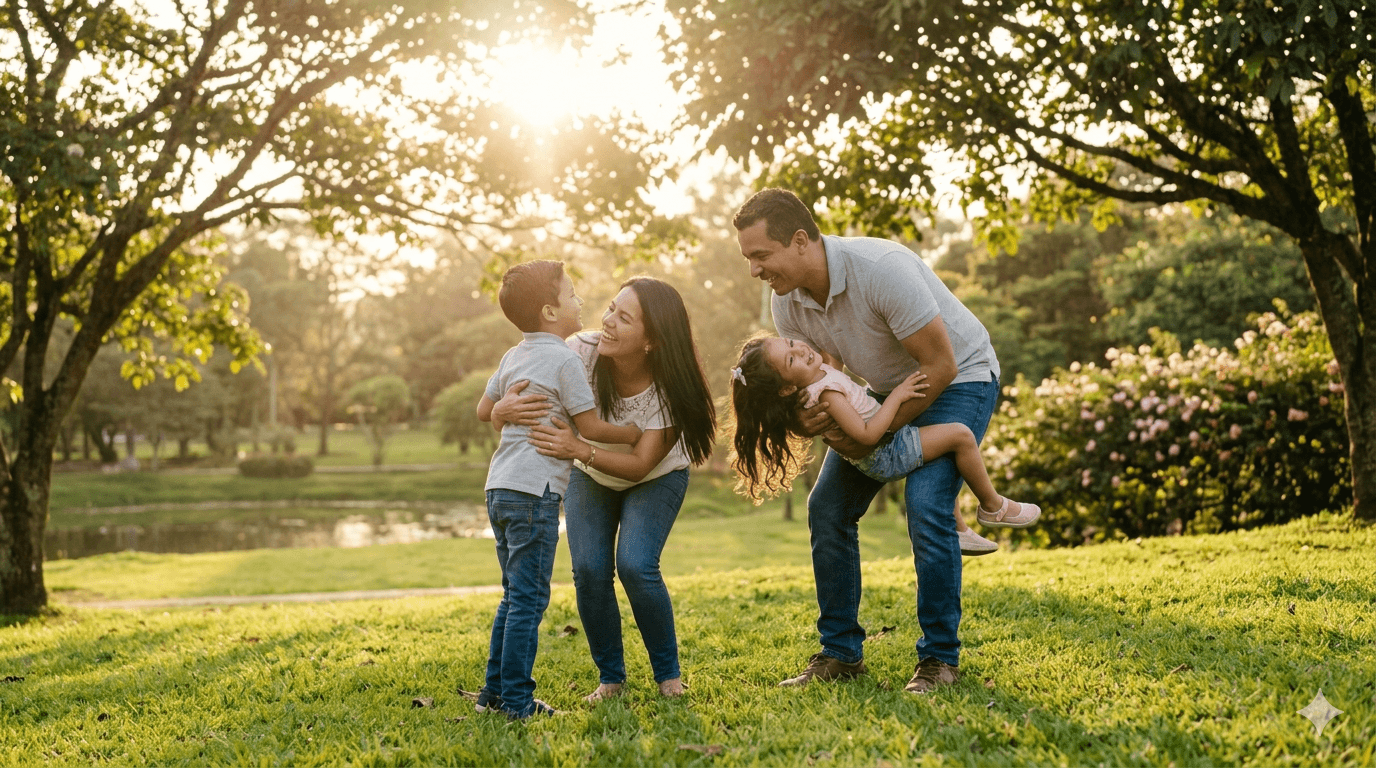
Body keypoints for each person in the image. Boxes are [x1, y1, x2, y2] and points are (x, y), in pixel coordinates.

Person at [733, 188, 1038, 694]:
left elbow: (939, 367)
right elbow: (824, 374)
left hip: (959, 379)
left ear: (801, 241)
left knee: (925, 503)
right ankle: (840, 653)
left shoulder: (882, 270)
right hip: (883, 396)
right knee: (826, 507)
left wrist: (873, 436)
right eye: (748, 259)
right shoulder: (786, 303)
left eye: (761, 256)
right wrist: (816, 422)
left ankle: (940, 659)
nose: (754, 270)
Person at [491, 277, 716, 703]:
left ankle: (668, 676)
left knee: (635, 563)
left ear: (651, 341)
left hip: (655, 478)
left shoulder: (669, 388)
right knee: (590, 570)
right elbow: (512, 387)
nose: (608, 321)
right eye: (611, 308)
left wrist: (578, 447)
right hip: (590, 476)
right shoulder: (578, 351)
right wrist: (501, 410)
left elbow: (639, 465)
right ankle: (611, 679)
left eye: (624, 318)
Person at [473, 260, 642, 720]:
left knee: (513, 594)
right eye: (571, 295)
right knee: (528, 599)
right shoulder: (565, 358)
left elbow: (484, 410)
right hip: (535, 492)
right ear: (550, 310)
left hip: (500, 486)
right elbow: (587, 425)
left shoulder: (514, 355)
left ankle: (493, 696)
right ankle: (517, 702)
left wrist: (503, 408)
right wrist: (629, 433)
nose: (580, 301)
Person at [728, 333, 1040, 555]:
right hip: (886, 453)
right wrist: (897, 396)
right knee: (960, 436)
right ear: (785, 388)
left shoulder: (818, 373)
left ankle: (959, 531)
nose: (803, 350)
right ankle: (993, 507)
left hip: (888, 443)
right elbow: (866, 435)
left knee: (943, 444)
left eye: (793, 343)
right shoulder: (827, 395)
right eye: (792, 358)